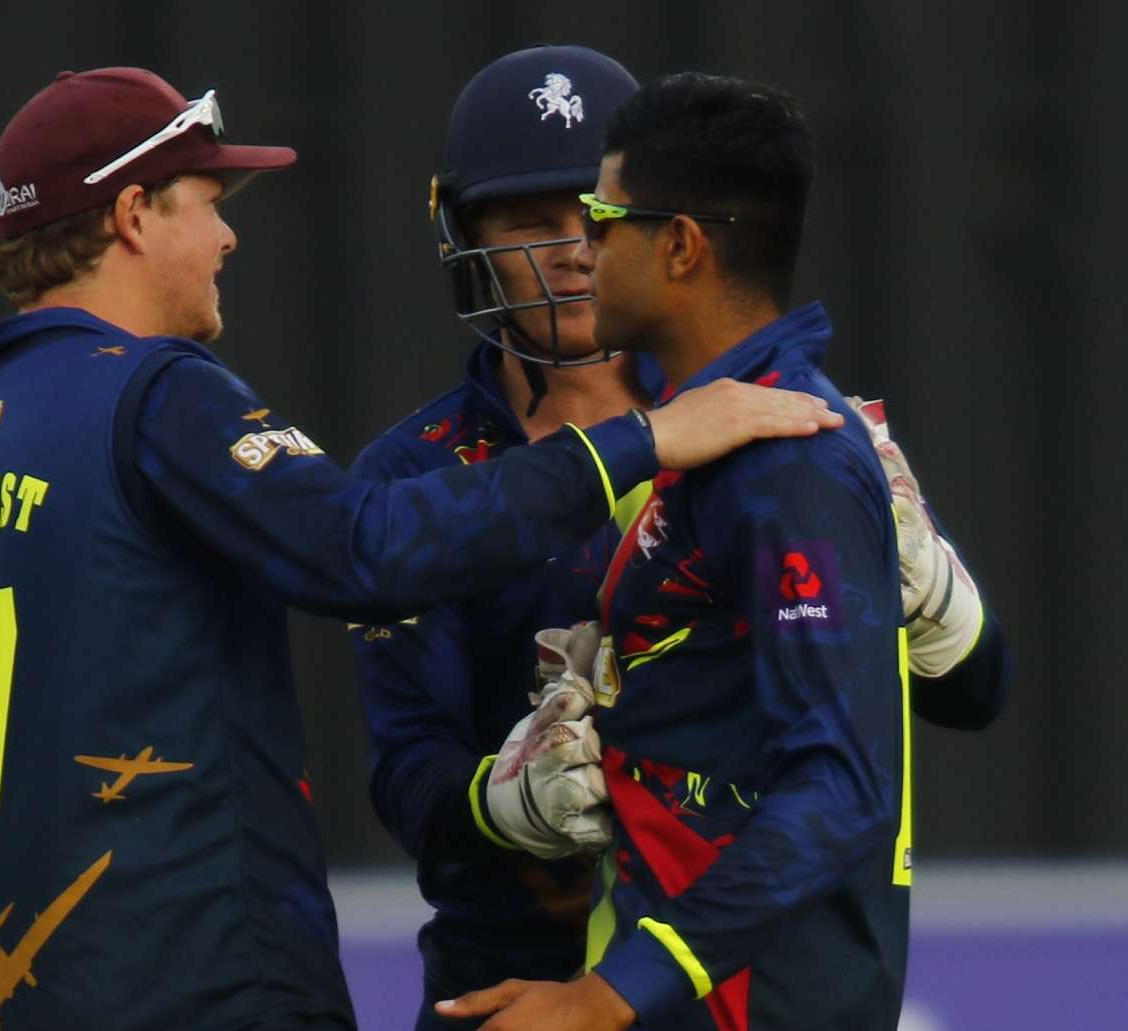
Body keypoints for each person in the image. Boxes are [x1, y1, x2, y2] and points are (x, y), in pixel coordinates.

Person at [0, 67, 843, 1031]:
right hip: (188, 978)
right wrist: (641, 440)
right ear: (132, 215)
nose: (227, 235)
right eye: (206, 200)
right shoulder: (153, 390)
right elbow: (359, 544)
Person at [348, 47, 1006, 1030]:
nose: (574, 248)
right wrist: (507, 797)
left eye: (595, 215)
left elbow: (961, 698)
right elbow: (406, 776)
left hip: (712, 972)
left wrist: (929, 595)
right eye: (530, 222)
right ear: (463, 236)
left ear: (676, 238)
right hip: (517, 975)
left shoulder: (775, 428)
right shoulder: (414, 476)